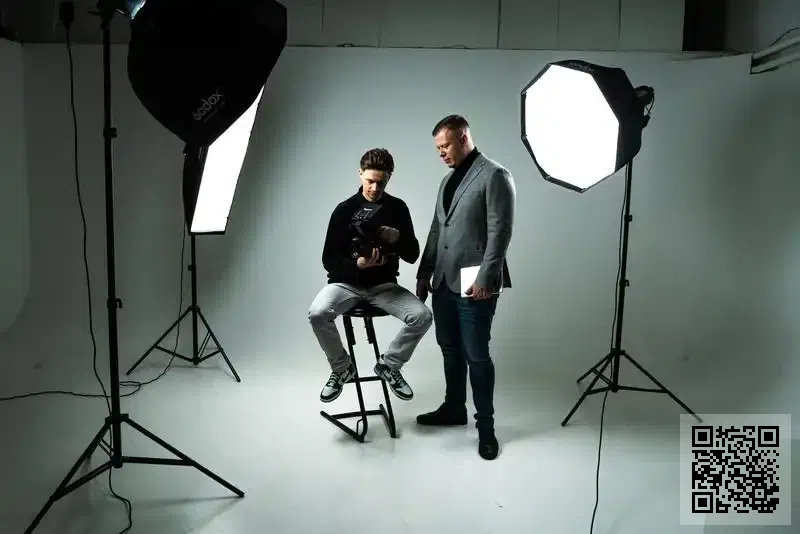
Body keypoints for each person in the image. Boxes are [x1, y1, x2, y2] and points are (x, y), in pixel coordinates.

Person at [415, 115, 516, 460]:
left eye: (445, 146)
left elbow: (500, 231)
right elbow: (436, 229)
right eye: (438, 149)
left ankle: (486, 428)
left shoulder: (495, 175)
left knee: (477, 355)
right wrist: (423, 273)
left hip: (476, 282)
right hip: (443, 280)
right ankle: (454, 408)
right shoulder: (446, 181)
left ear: (463, 138)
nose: (441, 153)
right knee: (449, 348)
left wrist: (487, 278)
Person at [309, 148, 433, 405]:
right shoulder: (344, 210)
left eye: (381, 182)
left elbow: (412, 255)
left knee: (422, 316)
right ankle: (342, 368)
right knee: (318, 313)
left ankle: (389, 365)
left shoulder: (397, 208)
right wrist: (358, 265)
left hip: (384, 286)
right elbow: (328, 260)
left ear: (389, 178)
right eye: (370, 181)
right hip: (346, 284)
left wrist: (398, 238)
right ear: (360, 174)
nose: (375, 188)